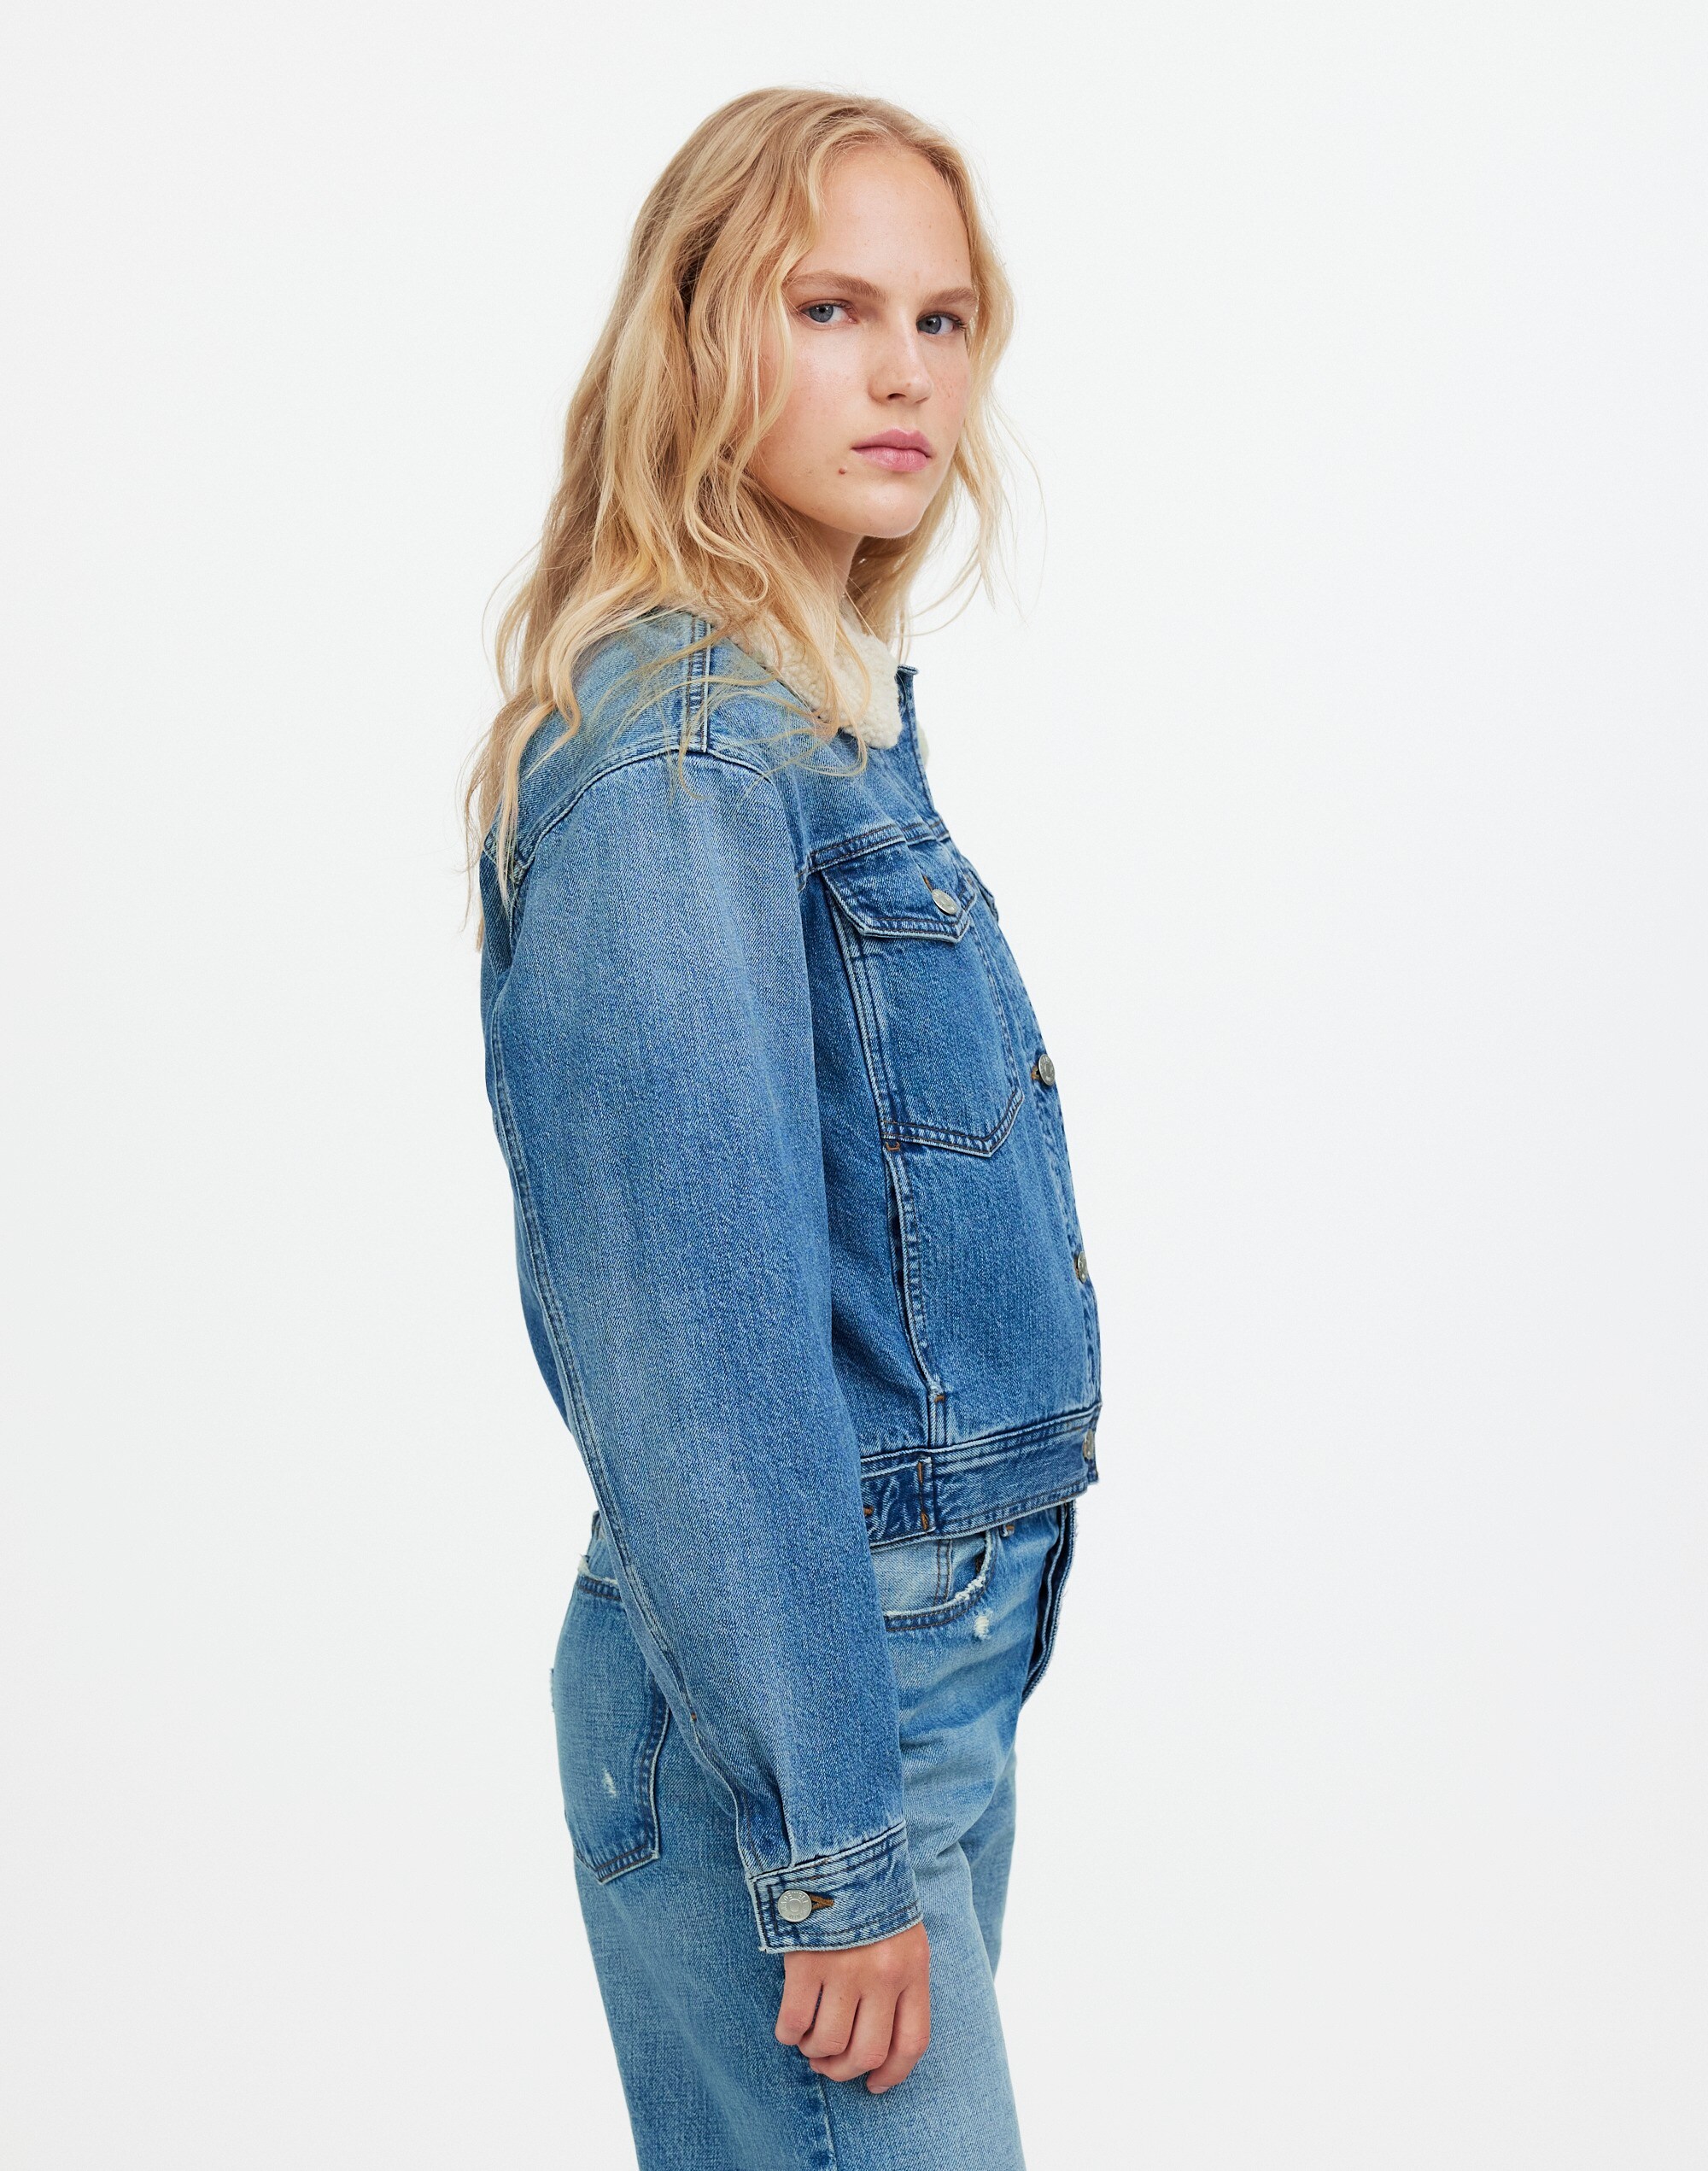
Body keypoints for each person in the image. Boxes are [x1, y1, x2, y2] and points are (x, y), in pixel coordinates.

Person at [462, 85, 1103, 2171]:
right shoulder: (681, 759)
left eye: (940, 318)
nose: (903, 371)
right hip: (808, 1705)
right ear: (696, 331)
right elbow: (702, 1350)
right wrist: (833, 1839)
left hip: (899, 1671)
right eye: (829, 308)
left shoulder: (820, 713)